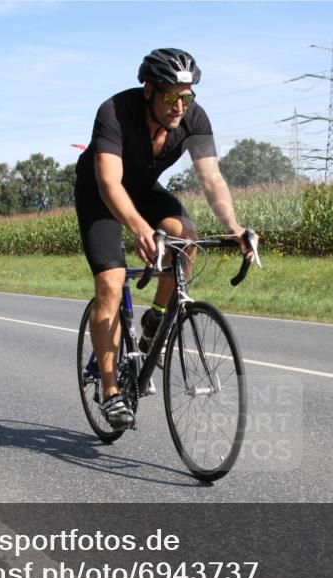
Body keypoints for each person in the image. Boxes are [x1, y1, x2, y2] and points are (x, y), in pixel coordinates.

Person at [75, 48, 253, 429]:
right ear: (148, 91)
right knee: (111, 281)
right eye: (170, 96)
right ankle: (110, 391)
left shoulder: (193, 118)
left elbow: (212, 180)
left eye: (186, 97)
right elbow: (108, 182)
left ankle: (155, 318)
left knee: (184, 237)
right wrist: (139, 228)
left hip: (142, 190)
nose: (179, 106)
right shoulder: (114, 112)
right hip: (100, 195)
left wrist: (234, 226)